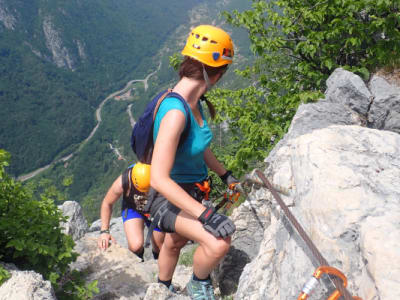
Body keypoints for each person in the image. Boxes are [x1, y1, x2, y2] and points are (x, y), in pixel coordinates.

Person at [147, 25, 239, 299]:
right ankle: (197, 283)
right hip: (167, 198)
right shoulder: (176, 112)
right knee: (218, 242)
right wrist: (206, 214)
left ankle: (162, 288)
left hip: (191, 191)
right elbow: (158, 179)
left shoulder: (193, 102)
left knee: (174, 243)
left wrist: (226, 175)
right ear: (218, 74)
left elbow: (199, 148)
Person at [97, 162, 165, 261]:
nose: (145, 193)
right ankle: (139, 265)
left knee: (159, 247)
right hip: (133, 206)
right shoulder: (123, 182)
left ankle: (157, 268)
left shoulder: (162, 175)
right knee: (135, 246)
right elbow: (107, 203)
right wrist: (104, 231)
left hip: (155, 209)